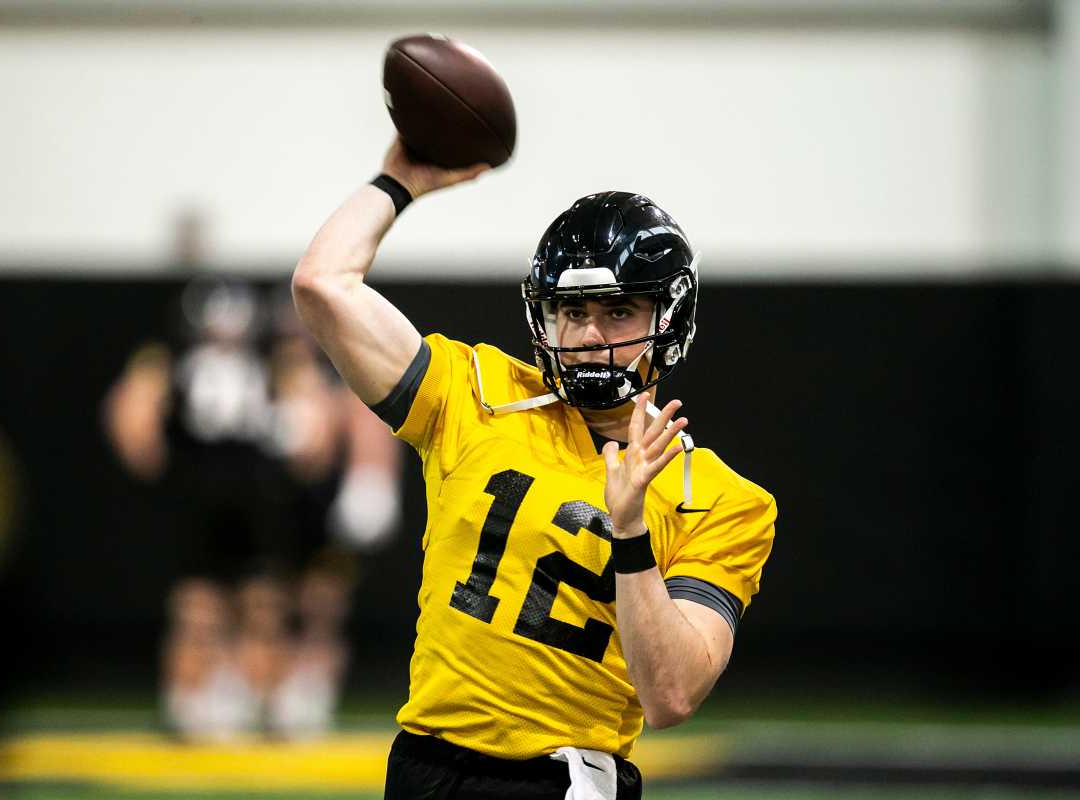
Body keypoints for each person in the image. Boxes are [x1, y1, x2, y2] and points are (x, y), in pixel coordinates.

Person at [291, 139, 777, 800]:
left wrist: (631, 531)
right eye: (573, 311)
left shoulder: (719, 497)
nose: (589, 335)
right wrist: (398, 181)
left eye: (617, 311)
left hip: (560, 781)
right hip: (423, 766)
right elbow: (322, 287)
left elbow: (670, 695)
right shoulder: (479, 395)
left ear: (669, 319)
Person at [103, 278, 400, 740]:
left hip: (255, 496)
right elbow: (133, 415)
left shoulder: (278, 361)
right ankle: (201, 699)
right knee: (211, 604)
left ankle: (258, 698)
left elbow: (328, 424)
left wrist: (352, 468)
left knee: (269, 602)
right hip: (234, 494)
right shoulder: (178, 359)